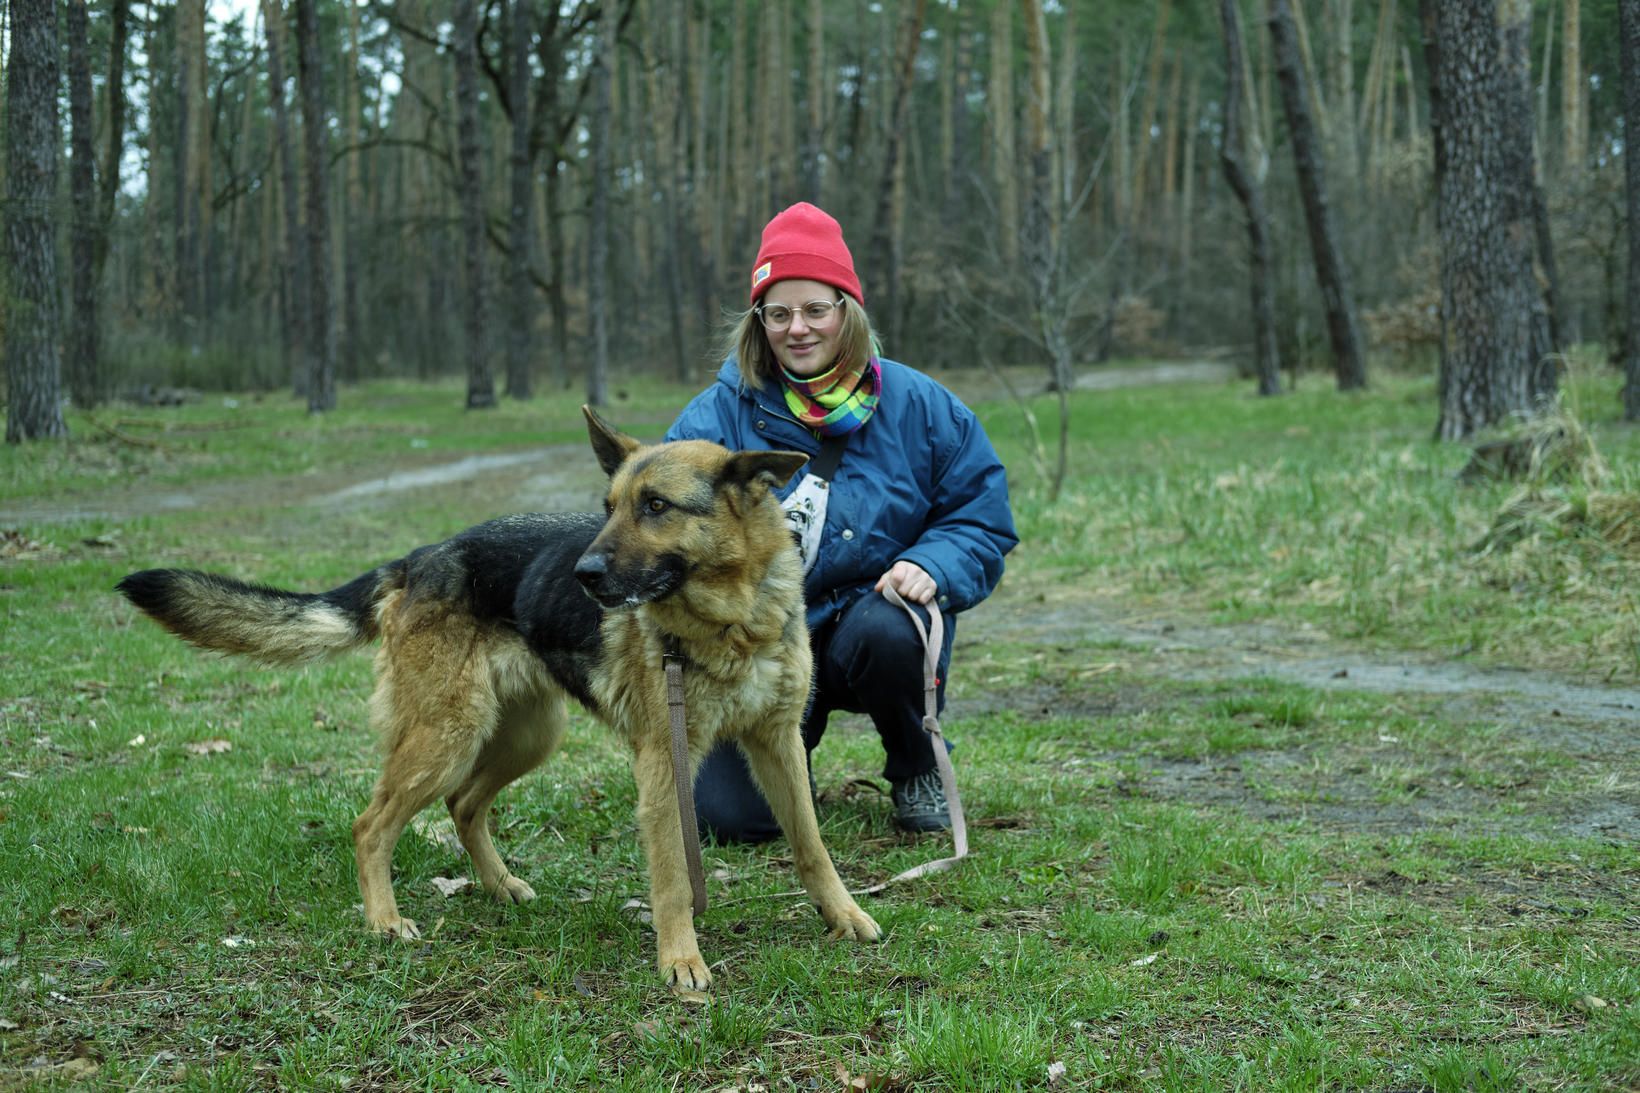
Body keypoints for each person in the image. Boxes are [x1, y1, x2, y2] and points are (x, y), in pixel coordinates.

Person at [665, 202, 1017, 842]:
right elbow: (658, 527)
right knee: (737, 823)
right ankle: (778, 755)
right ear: (759, 321)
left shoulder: (924, 407)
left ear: (846, 311)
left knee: (893, 628)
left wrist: (932, 563)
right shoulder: (712, 420)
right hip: (754, 647)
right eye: (779, 313)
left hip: (863, 624)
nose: (797, 328)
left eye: (815, 309)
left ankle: (916, 766)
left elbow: (980, 516)